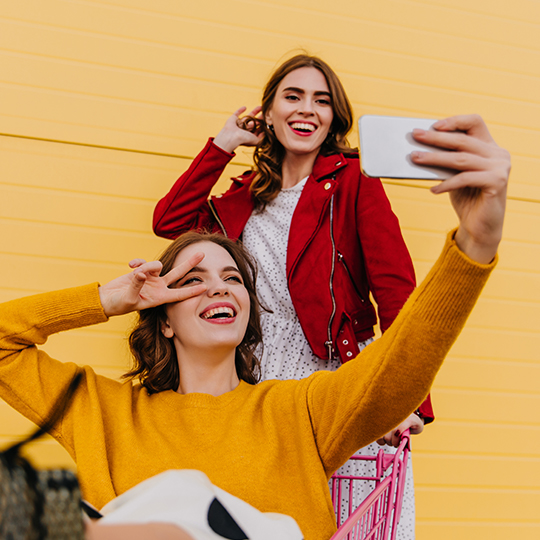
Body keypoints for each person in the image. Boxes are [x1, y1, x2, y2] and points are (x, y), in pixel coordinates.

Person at [0, 114, 510, 540]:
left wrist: (475, 242)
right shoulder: (100, 410)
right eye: (192, 280)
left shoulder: (298, 413)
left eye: (233, 278)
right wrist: (109, 299)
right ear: (165, 321)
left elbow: (402, 364)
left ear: (247, 311)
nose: (219, 287)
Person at [152, 54, 431, 535]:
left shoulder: (354, 181)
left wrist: (406, 398)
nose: (307, 110)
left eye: (321, 101)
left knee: (350, 518)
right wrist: (223, 145)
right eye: (293, 97)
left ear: (333, 118)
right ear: (269, 112)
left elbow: (396, 290)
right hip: (254, 378)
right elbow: (170, 222)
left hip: (333, 375)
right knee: (263, 520)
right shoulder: (242, 198)